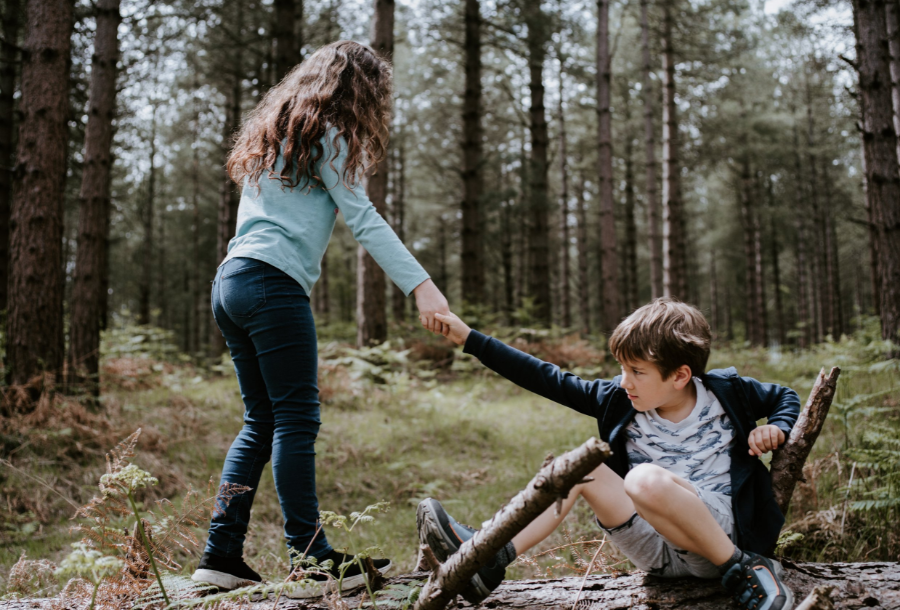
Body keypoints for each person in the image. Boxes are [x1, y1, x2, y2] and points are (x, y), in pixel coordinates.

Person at [190, 40, 449, 598]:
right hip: (270, 284)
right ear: (356, 91)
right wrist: (423, 288)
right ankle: (311, 561)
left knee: (261, 420)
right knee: (296, 420)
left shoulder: (275, 136)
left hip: (231, 282)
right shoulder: (330, 133)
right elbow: (365, 218)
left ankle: (220, 555)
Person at [417, 298, 799, 610]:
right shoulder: (619, 399)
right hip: (656, 550)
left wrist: (776, 427)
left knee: (643, 479)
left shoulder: (726, 392)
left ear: (681, 375)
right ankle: (489, 556)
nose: (623, 381)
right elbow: (545, 377)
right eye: (621, 367)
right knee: (583, 468)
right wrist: (468, 337)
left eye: (637, 371)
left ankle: (745, 568)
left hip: (717, 537)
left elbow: (785, 396)